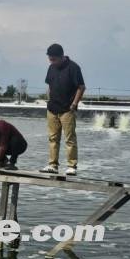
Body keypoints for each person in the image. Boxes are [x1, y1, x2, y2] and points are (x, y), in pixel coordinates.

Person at [39, 43, 86, 176]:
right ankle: (52, 165)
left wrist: (74, 104)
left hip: (67, 109)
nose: (51, 62)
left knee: (69, 138)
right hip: (52, 108)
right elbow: (49, 85)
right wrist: (48, 99)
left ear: (61, 57)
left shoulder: (74, 67)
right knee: (53, 138)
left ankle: (72, 166)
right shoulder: (51, 68)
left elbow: (81, 87)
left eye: (53, 59)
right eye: (50, 59)